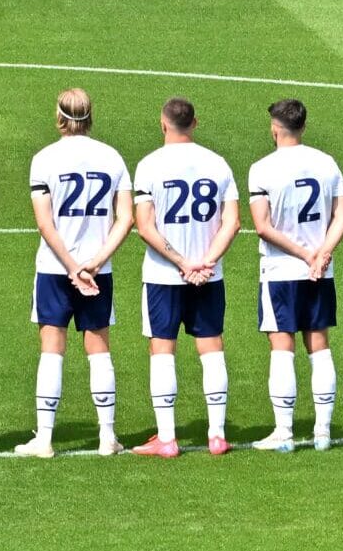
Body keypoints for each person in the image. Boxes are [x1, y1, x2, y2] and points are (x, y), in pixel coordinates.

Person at [14, 88, 133, 459]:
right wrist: (95, 263)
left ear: (60, 115)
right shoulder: (111, 157)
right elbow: (125, 218)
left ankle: (45, 439)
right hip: (99, 271)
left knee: (52, 350)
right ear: (90, 115)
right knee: (99, 350)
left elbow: (45, 223)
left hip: (54, 269)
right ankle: (106, 437)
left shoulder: (44, 159)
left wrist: (70, 266)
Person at [130, 97, 241, 458]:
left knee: (162, 349)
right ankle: (217, 435)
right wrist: (204, 262)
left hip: (164, 276)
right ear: (195, 123)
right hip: (209, 276)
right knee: (211, 347)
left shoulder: (149, 166)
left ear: (163, 124)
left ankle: (167, 438)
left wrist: (181, 263)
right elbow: (232, 223)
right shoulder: (218, 164)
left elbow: (145, 227)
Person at [247, 99, 343, 453]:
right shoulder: (326, 163)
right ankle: (323, 431)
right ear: (303, 127)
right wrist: (322, 253)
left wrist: (306, 254)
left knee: (282, 348)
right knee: (319, 346)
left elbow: (262, 226)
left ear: (275, 129)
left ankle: (285, 432)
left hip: (281, 272)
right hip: (320, 273)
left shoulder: (262, 169)